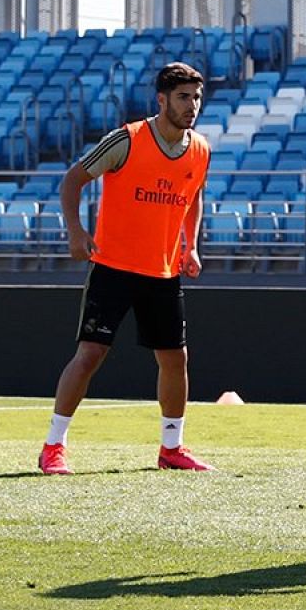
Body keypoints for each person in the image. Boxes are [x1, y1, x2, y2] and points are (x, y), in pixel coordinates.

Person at [38, 62, 213, 475]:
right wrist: (76, 232)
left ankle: (172, 448)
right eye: (184, 97)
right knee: (90, 355)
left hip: (164, 272)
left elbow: (194, 196)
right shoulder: (127, 140)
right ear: (162, 99)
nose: (192, 106)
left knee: (175, 359)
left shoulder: (201, 148)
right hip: (114, 267)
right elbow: (71, 181)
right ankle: (52, 447)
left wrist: (192, 245)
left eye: (197, 98)